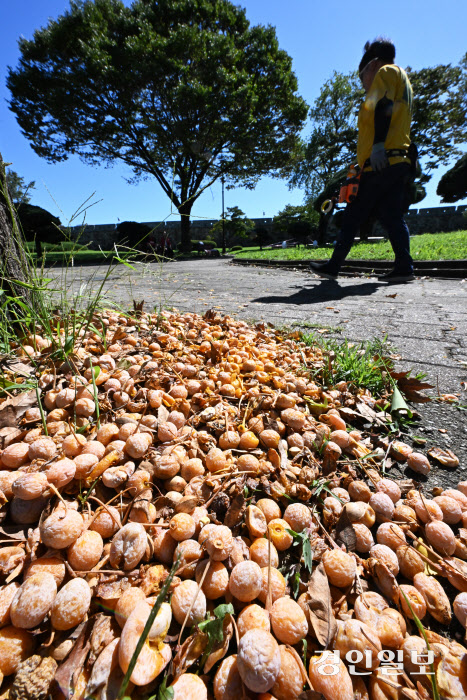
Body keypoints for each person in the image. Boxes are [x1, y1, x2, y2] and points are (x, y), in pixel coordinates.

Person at [310, 38, 415, 283]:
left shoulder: (387, 72)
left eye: (362, 75)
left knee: (353, 215)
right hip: (395, 161)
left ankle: (333, 266)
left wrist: (377, 146)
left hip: (381, 162)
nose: (363, 83)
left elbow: (384, 106)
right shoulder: (404, 80)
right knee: (391, 215)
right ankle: (404, 267)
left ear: (373, 64)